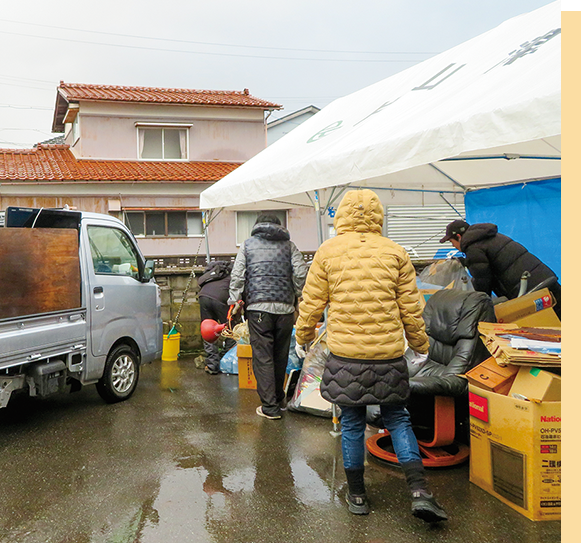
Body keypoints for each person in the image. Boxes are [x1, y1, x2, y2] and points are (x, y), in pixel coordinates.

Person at [295, 190, 447, 523]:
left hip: (345, 355)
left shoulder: (328, 252)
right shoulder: (395, 252)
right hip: (388, 356)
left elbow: (311, 304)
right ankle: (420, 492)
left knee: (351, 422)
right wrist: (420, 345)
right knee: (397, 418)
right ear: (378, 216)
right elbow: (411, 308)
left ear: (342, 216)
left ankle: (358, 496)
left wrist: (303, 337)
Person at [228, 214, 308, 419]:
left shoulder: (247, 245)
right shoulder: (289, 246)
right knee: (280, 355)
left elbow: (237, 275)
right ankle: (279, 399)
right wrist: (298, 294)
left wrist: (234, 300)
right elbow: (300, 272)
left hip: (258, 309)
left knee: (263, 357)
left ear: (257, 226)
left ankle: (269, 407)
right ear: (279, 227)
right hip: (285, 310)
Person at [441, 219, 561, 318]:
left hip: (533, 291)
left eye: (452, 242)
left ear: (458, 236)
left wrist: (480, 307)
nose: (454, 247)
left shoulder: (473, 247)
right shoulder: (487, 237)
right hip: (544, 279)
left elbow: (483, 280)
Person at [197, 260, 234, 374]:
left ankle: (212, 365)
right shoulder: (232, 276)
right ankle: (227, 361)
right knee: (230, 329)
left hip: (203, 297)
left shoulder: (211, 275)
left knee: (208, 331)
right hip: (221, 299)